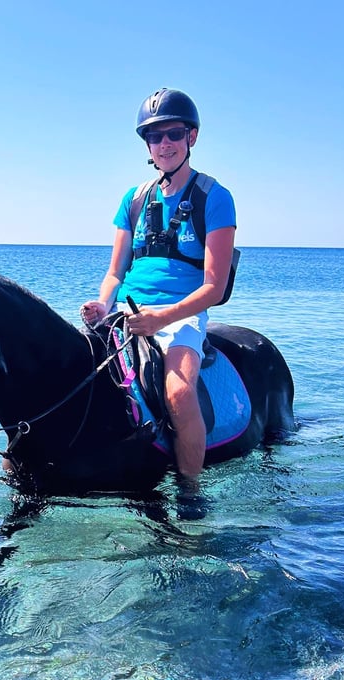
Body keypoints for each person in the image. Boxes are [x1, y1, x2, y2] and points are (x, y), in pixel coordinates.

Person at [81, 88, 236, 481]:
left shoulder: (214, 198)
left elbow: (214, 288)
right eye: (155, 136)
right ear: (147, 144)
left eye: (173, 134)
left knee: (179, 394)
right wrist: (102, 306)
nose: (164, 144)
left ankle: (190, 491)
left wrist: (161, 318)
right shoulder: (133, 199)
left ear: (191, 137)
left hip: (180, 316)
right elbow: (116, 272)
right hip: (126, 314)